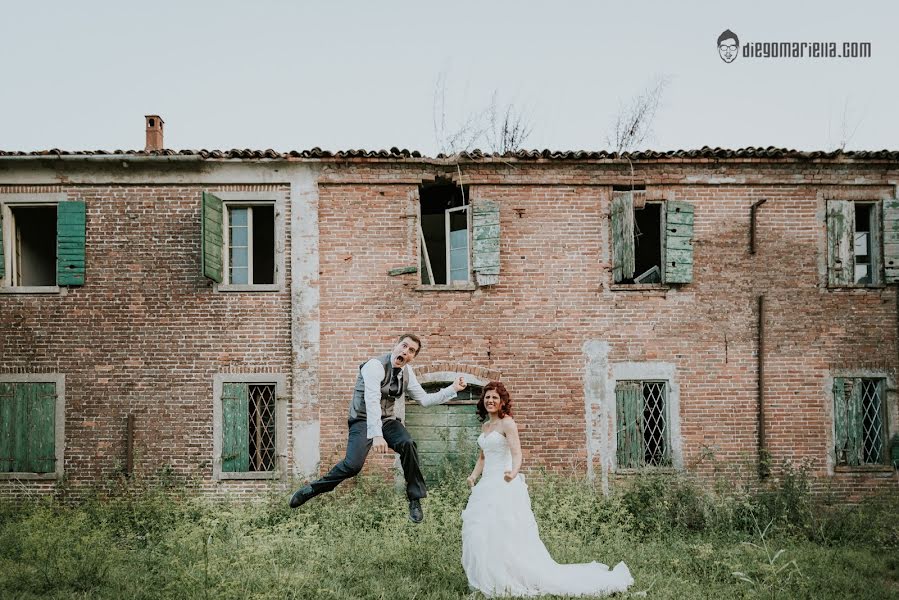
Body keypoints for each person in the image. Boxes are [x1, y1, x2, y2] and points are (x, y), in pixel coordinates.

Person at [461, 381, 633, 597]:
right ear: (482, 401)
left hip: (504, 484)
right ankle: (487, 576)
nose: (490, 400)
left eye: (495, 397)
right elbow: (483, 456)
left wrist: (513, 472)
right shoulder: (485, 427)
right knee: (480, 532)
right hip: (486, 486)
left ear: (502, 401)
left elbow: (517, 453)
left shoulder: (508, 424)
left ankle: (509, 576)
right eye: (487, 397)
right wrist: (473, 476)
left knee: (504, 532)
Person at [289, 334, 466, 523]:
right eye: (404, 346)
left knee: (407, 443)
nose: (405, 352)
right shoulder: (374, 366)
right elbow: (371, 400)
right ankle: (313, 489)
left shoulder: (408, 372)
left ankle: (414, 498)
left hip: (387, 420)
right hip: (363, 419)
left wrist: (452, 388)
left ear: (413, 357)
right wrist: (376, 435)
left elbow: (424, 400)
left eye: (411, 351)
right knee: (352, 466)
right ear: (396, 346)